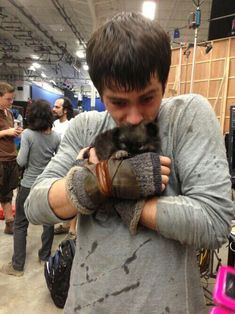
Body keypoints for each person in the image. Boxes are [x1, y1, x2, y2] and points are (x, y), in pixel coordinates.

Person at [25, 12, 233, 313]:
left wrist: (121, 199)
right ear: (100, 93)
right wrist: (100, 182)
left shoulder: (186, 116)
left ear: (164, 81)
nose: (134, 117)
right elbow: (34, 206)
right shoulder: (85, 126)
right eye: (119, 102)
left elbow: (214, 223)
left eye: (148, 98)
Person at [0, 99, 60, 276]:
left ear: (31, 115)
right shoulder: (56, 136)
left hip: (28, 185)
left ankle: (17, 266)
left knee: (20, 223)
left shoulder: (28, 135)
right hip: (47, 185)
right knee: (48, 221)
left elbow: (21, 161)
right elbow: (57, 159)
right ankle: (44, 257)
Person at [52, 97, 78, 239]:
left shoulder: (72, 124)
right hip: (58, 163)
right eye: (54, 106)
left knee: (73, 195)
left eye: (57, 107)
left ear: (65, 110)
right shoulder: (54, 124)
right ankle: (64, 223)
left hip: (71, 164)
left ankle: (72, 228)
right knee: (60, 195)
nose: (54, 109)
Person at [0, 82, 23, 234]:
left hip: (10, 158)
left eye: (12, 99)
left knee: (8, 192)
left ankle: (9, 223)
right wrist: (7, 132)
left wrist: (16, 132)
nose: (11, 102)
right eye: (8, 99)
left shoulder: (8, 113)